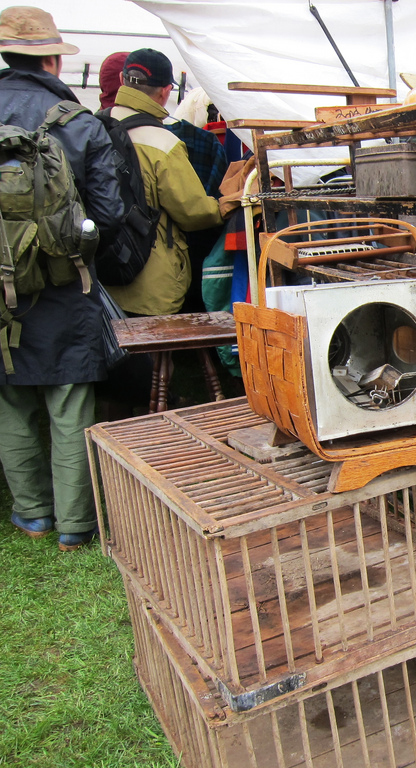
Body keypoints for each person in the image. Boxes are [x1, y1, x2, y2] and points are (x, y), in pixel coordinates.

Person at [0, 6, 124, 551]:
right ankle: (74, 524)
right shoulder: (78, 122)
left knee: (11, 396)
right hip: (64, 281)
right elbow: (111, 212)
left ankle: (31, 514)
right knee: (69, 399)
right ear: (52, 57)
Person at [103, 48, 223, 317]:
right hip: (150, 278)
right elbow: (194, 213)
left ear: (123, 80)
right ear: (166, 91)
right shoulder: (163, 143)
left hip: (102, 269)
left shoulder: (93, 127)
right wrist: (222, 206)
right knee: (156, 353)